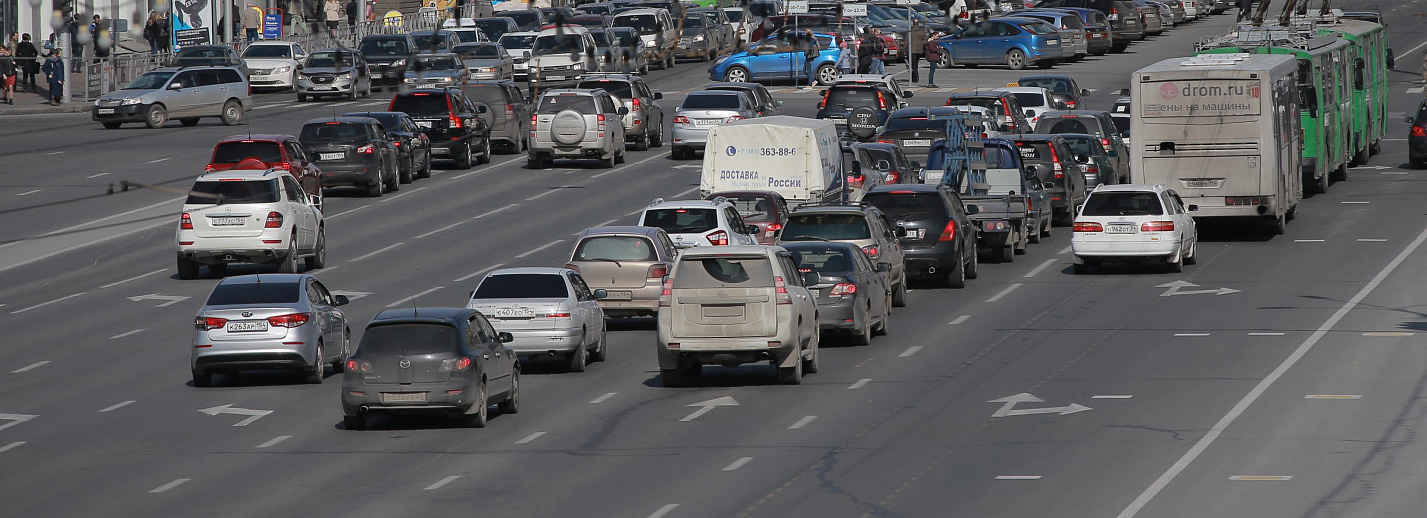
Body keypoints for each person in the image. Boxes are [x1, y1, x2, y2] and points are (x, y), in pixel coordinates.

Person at [908, 19, 925, 84]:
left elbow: (906, 39)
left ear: (913, 23)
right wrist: (921, 44)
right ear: (918, 23)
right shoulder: (921, 31)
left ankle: (916, 77)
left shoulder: (910, 31)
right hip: (919, 49)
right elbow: (925, 40)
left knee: (913, 64)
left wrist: (904, 48)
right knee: (915, 64)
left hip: (912, 50)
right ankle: (914, 77)